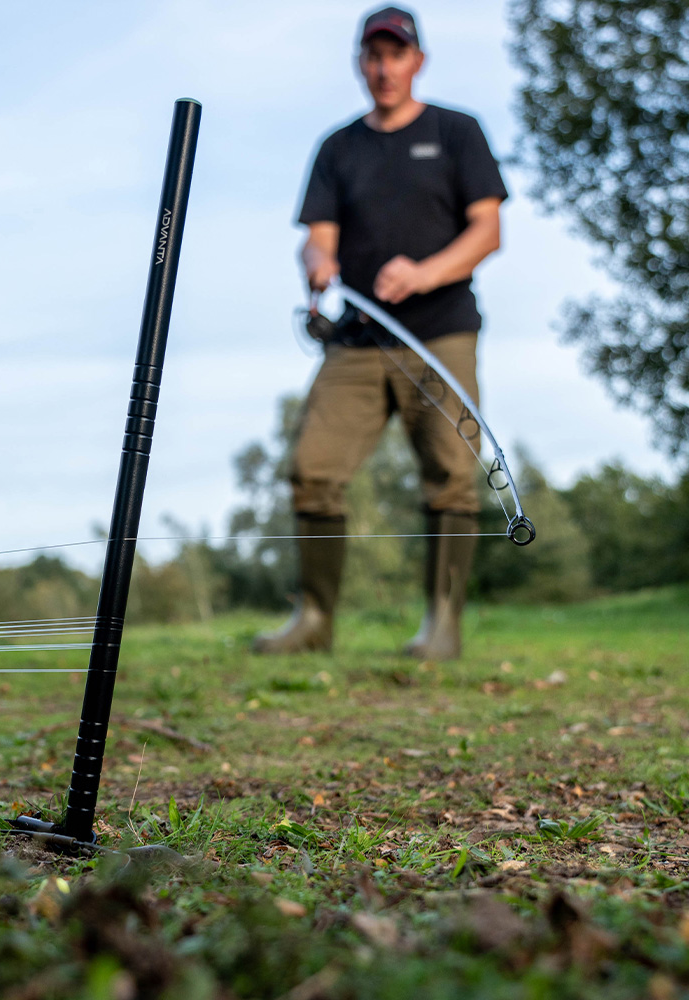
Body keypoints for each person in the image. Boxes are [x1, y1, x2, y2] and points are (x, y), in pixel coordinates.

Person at [253, 5, 508, 660]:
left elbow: (488, 232)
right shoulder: (339, 148)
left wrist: (424, 273)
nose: (384, 67)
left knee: (449, 474)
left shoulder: (457, 132)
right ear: (360, 64)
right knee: (312, 469)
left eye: (395, 54)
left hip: (440, 335)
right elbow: (315, 241)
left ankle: (441, 628)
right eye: (372, 55)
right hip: (357, 342)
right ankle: (313, 621)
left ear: (416, 60)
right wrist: (319, 268)